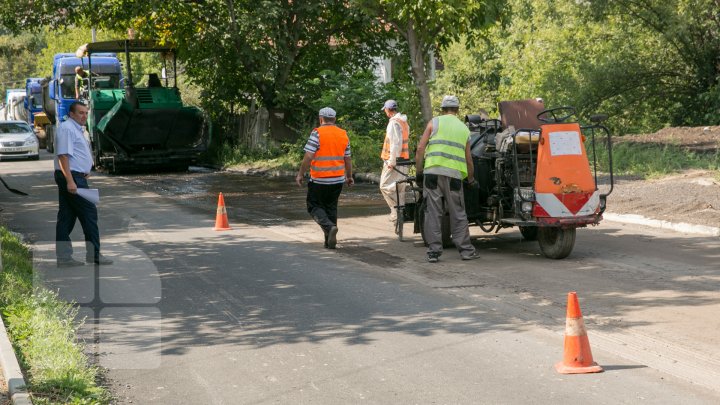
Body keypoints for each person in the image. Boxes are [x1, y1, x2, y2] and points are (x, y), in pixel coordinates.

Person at [415, 95, 481, 263]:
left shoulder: (434, 122)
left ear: (442, 109)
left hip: (432, 173)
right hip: (454, 176)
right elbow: (469, 160)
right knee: (458, 213)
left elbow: (421, 147)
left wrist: (419, 171)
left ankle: (434, 252)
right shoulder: (464, 129)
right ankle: (466, 251)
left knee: (433, 212)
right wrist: (471, 179)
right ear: (457, 110)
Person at [55, 102, 113, 267]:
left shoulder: (76, 129)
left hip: (75, 175)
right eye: (80, 113)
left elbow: (75, 154)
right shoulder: (67, 128)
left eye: (86, 113)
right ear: (71, 114)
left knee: (66, 217)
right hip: (72, 177)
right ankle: (94, 255)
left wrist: (84, 168)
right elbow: (63, 156)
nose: (84, 116)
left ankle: (64, 258)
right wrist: (71, 180)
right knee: (89, 214)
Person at [296, 107, 353, 249]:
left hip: (319, 180)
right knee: (331, 207)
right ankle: (329, 241)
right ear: (334, 119)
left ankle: (329, 227)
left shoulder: (317, 133)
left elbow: (308, 156)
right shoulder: (343, 134)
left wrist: (300, 174)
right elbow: (348, 159)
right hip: (337, 180)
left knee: (313, 206)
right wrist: (349, 176)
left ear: (321, 119)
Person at [379, 99, 410, 231]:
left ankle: (395, 211)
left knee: (384, 186)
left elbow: (395, 144)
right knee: (400, 189)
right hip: (405, 160)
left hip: (394, 162)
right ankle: (400, 213)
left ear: (388, 110)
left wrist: (391, 162)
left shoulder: (393, 123)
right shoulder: (404, 122)